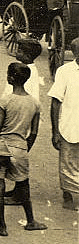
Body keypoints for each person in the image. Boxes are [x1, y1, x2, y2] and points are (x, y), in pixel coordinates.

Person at [0, 62, 45, 236]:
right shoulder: (35, 103)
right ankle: (31, 221)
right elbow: (34, 133)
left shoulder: (5, 100)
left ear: (10, 78)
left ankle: (2, 226)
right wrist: (24, 148)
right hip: (20, 148)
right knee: (23, 185)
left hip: (2, 148)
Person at [49, 37, 79, 211]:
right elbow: (55, 101)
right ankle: (67, 195)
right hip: (69, 124)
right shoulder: (64, 71)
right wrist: (55, 131)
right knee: (67, 162)